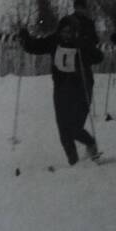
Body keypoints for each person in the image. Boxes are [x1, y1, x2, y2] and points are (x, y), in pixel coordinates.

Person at [21, 14, 104, 166]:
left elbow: (99, 57)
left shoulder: (81, 43)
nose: (66, 36)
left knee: (74, 127)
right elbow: (35, 47)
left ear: (75, 33)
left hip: (81, 88)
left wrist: (84, 48)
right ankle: (73, 161)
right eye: (63, 32)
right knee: (63, 128)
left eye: (69, 32)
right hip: (61, 88)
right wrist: (25, 38)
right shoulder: (54, 41)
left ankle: (90, 143)